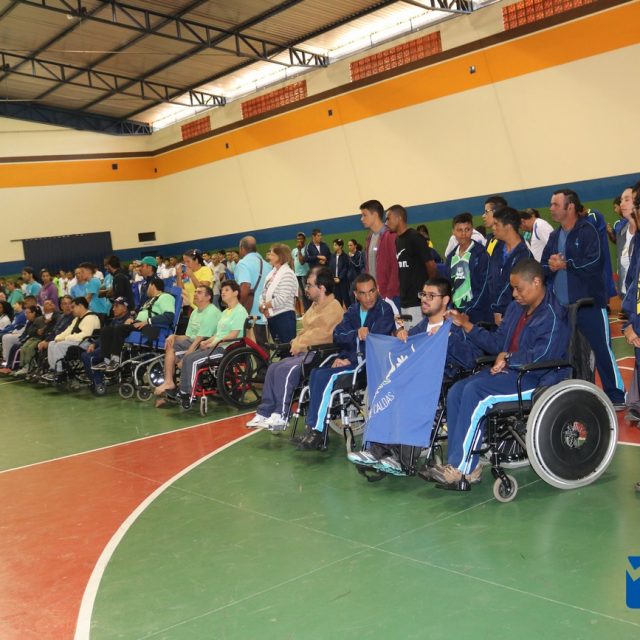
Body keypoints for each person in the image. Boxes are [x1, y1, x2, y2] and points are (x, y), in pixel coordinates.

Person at [426, 258, 570, 488]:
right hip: (508, 373)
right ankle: (462, 463)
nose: (514, 294)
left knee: (475, 392)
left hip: (536, 377)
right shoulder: (516, 309)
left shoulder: (553, 314)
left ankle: (463, 468)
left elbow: (543, 355)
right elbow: (497, 344)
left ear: (536, 282)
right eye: (512, 288)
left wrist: (509, 358)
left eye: (518, 288)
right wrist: (467, 325)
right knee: (457, 391)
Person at [347, 277, 482, 472]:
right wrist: (399, 337)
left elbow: (471, 359)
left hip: (443, 381)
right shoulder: (419, 329)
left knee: (408, 391)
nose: (424, 299)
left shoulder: (456, 326)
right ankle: (378, 450)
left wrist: (448, 338)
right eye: (423, 294)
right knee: (388, 385)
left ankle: (400, 459)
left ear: (445, 300)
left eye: (431, 295)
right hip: (416, 380)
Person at [541, 188, 625, 407]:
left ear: (570, 207)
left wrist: (566, 264)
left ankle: (616, 395)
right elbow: (543, 266)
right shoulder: (554, 236)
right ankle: (573, 393)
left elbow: (595, 262)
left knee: (601, 349)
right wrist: (550, 266)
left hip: (589, 304)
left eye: (555, 204)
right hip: (562, 307)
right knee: (565, 352)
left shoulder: (588, 230)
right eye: (551, 204)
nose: (551, 208)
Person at [295, 273, 396, 450]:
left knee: (326, 377)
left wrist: (350, 356)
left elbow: (375, 341)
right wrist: (354, 338)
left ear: (377, 290)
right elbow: (338, 335)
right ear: (356, 295)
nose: (369, 297)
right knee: (316, 373)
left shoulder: (384, 310)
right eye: (363, 293)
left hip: (369, 365)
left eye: (372, 291)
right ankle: (311, 428)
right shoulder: (352, 311)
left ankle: (317, 432)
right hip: (350, 361)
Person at [246, 267, 345, 430]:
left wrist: (299, 344)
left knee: (286, 369)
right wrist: (296, 341)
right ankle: (264, 412)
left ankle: (281, 415)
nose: (306, 289)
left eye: (309, 285)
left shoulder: (333, 308)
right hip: (307, 351)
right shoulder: (315, 306)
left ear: (321, 288)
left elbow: (324, 335)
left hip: (320, 354)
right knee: (273, 368)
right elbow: (307, 330)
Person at [174, 280, 248, 401]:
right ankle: (183, 390)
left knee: (193, 360)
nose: (223, 292)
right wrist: (207, 342)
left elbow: (233, 335)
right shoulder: (225, 312)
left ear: (235, 293)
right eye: (222, 290)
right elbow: (218, 333)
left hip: (226, 349)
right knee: (188, 357)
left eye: (227, 290)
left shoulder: (240, 311)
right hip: (217, 345)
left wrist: (213, 344)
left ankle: (189, 393)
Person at [149, 285, 220, 399]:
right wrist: (174, 336)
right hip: (192, 341)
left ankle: (172, 384)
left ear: (208, 297)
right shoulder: (195, 312)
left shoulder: (211, 312)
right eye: (195, 291)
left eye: (199, 292)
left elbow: (200, 339)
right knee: (170, 343)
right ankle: (169, 383)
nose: (195, 294)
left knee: (174, 353)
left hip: (205, 344)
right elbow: (188, 336)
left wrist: (186, 357)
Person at [94, 277, 176, 372]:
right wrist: (132, 320)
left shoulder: (165, 297)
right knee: (106, 330)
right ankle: (107, 361)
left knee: (119, 329)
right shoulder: (149, 301)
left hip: (151, 327)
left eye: (148, 286)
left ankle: (115, 360)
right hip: (139, 324)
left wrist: (147, 321)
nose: (146, 289)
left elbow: (169, 317)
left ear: (152, 286)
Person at [385, 204, 436, 329]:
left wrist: (430, 292)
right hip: (404, 300)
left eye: (388, 218)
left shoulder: (415, 237)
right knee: (407, 335)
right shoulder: (397, 240)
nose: (386, 223)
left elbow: (431, 265)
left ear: (399, 218)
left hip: (417, 301)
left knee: (418, 336)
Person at [487, 207, 532, 326]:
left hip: (515, 314)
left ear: (508, 227)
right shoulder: (497, 248)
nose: (493, 228)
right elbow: (490, 278)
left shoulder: (524, 255)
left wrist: (499, 309)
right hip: (494, 312)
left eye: (496, 224)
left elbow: (512, 286)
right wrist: (493, 308)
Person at [445, 212, 490, 323]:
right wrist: (451, 309)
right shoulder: (451, 257)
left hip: (477, 315)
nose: (463, 234)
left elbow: (484, 287)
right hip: (456, 314)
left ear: (472, 230)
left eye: (467, 229)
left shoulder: (481, 254)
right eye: (459, 230)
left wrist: (469, 311)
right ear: (453, 232)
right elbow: (449, 286)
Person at [43, 297, 101, 380]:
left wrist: (66, 339)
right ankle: (53, 369)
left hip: (87, 343)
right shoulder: (77, 318)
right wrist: (57, 338)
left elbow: (85, 335)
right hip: (76, 341)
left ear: (80, 306)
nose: (71, 309)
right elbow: (68, 331)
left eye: (73, 307)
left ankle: (60, 372)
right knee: (52, 343)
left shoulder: (91, 317)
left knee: (59, 345)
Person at [360, 199, 400, 305]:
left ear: (375, 215)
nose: (362, 219)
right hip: (375, 295)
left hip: (390, 296)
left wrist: (389, 295)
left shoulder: (390, 236)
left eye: (364, 215)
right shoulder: (369, 238)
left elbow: (395, 267)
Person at [235, 236, 272, 347]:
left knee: (255, 348)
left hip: (252, 315)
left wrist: (238, 307)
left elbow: (245, 286)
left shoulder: (242, 264)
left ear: (242, 248)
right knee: (264, 348)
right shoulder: (266, 264)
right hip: (266, 312)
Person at [259, 243, 298, 344]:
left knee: (287, 349)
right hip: (272, 316)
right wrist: (262, 305)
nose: (269, 257)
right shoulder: (271, 273)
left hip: (284, 317)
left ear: (280, 257)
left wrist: (264, 306)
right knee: (279, 349)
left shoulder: (287, 273)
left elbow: (282, 298)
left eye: (272, 255)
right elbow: (264, 293)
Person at [329, 239, 351, 308]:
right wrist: (333, 278)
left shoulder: (345, 256)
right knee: (337, 300)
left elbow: (345, 268)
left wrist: (340, 278)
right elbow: (330, 267)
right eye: (333, 245)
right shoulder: (332, 256)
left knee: (346, 299)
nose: (334, 246)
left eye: (335, 245)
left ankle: (351, 312)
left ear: (340, 246)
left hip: (343, 281)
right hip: (334, 281)